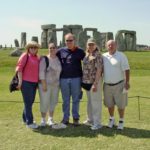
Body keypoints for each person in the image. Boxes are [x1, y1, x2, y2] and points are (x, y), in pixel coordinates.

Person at [56, 33, 85, 126]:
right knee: (65, 100)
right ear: (65, 41)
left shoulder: (80, 51)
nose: (69, 42)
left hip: (76, 78)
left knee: (76, 99)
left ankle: (76, 118)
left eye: (70, 40)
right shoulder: (60, 51)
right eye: (67, 40)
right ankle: (65, 118)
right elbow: (52, 59)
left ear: (74, 41)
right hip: (63, 78)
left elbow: (88, 62)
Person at [103, 40, 130, 130]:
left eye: (112, 45)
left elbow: (127, 69)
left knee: (120, 104)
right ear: (106, 46)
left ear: (116, 45)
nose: (110, 46)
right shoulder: (104, 56)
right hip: (107, 85)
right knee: (109, 104)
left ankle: (121, 121)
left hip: (119, 84)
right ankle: (111, 119)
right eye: (109, 45)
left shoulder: (121, 56)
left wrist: (127, 82)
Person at [16, 41, 40, 129]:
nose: (33, 49)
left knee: (30, 102)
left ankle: (24, 119)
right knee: (28, 102)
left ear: (37, 49)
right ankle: (29, 122)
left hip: (34, 83)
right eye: (31, 47)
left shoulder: (37, 57)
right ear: (28, 48)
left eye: (35, 47)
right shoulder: (25, 56)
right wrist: (20, 82)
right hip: (26, 83)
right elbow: (19, 69)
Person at [82, 38, 103, 130]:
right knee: (90, 102)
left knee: (96, 103)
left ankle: (97, 123)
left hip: (95, 82)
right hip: (86, 82)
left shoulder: (98, 55)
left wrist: (96, 83)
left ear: (95, 45)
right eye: (89, 44)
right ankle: (90, 119)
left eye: (92, 44)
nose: (90, 46)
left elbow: (99, 69)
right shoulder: (86, 54)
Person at [38, 43, 62, 127]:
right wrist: (44, 84)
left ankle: (50, 118)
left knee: (53, 102)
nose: (52, 49)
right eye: (50, 48)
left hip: (56, 85)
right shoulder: (44, 59)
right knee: (44, 102)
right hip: (45, 85)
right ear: (48, 49)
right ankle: (43, 119)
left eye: (54, 48)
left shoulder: (59, 59)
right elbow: (41, 72)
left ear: (56, 49)